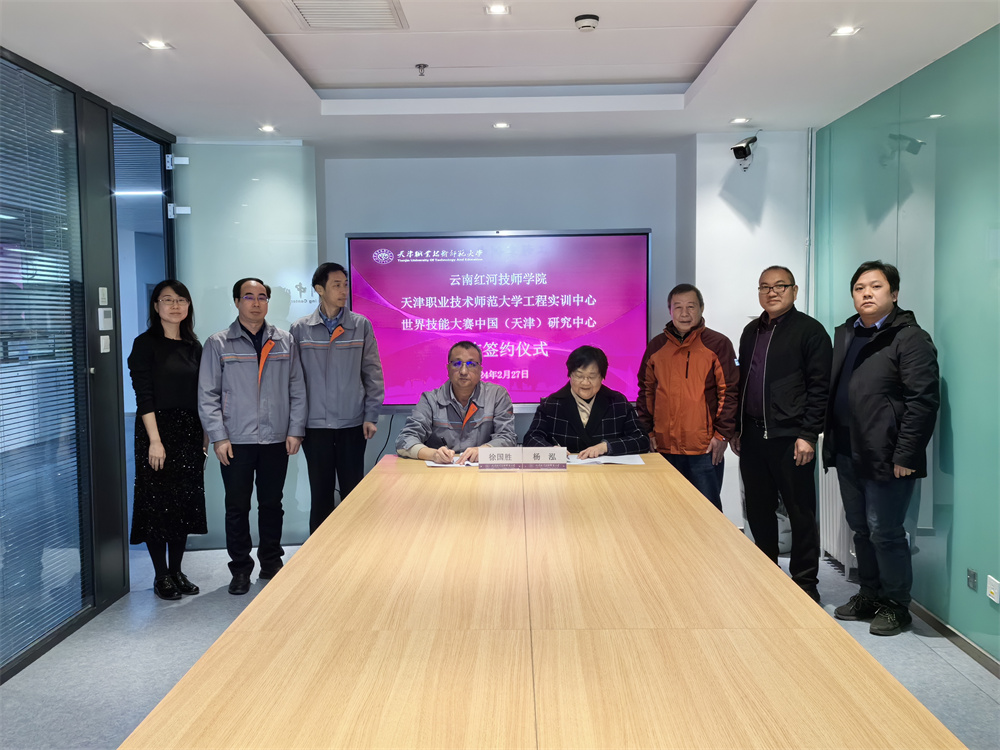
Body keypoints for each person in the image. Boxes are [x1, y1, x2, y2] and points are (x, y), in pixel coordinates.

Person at [823, 261, 939, 635]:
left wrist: (907, 454)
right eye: (859, 288)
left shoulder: (909, 337)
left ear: (894, 293)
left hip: (887, 454)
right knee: (860, 529)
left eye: (875, 286)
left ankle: (896, 605)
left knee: (885, 531)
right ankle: (870, 594)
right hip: (847, 450)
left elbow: (923, 401)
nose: (867, 293)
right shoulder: (847, 333)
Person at [198, 278, 307, 595]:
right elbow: (207, 395)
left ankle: (271, 563)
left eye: (262, 297)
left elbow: (297, 389)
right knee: (237, 507)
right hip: (236, 441)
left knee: (272, 504)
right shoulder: (218, 343)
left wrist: (295, 430)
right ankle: (240, 570)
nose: (256, 303)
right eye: (249, 297)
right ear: (236, 302)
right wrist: (219, 437)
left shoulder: (285, 341)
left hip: (276, 439)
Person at [732, 266, 832, 602]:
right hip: (753, 437)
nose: (772, 292)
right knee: (758, 511)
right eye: (765, 287)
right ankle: (767, 576)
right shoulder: (751, 331)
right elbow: (743, 383)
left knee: (800, 512)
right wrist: (737, 428)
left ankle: (805, 583)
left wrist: (808, 434)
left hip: (792, 438)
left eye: (780, 286)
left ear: (794, 290)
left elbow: (820, 388)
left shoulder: (810, 331)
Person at [127, 280, 208, 601]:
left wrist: (204, 440)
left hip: (190, 432)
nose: (175, 306)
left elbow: (204, 396)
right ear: (156, 306)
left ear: (188, 306)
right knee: (157, 504)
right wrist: (155, 441)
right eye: (167, 300)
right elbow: (144, 396)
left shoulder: (194, 346)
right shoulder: (145, 344)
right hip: (156, 432)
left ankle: (177, 571)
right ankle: (161, 575)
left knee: (183, 504)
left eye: (181, 300)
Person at [291, 263, 384, 533]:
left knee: (353, 492)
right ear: (319, 289)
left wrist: (371, 415)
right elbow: (293, 381)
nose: (344, 290)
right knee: (320, 493)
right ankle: (319, 551)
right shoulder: (300, 329)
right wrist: (296, 426)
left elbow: (372, 373)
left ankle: (354, 548)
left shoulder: (360, 325)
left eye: (345, 284)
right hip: (314, 426)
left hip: (351, 424)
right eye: (336, 285)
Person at [636, 283, 738, 509]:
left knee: (706, 513)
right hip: (663, 447)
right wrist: (648, 432)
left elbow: (729, 391)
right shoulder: (657, 346)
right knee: (665, 511)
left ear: (701, 308)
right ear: (670, 310)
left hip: (704, 449)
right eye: (678, 307)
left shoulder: (718, 344)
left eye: (691, 306)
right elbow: (646, 391)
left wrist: (722, 435)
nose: (684, 313)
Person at [396, 341, 516, 463]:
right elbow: (405, 440)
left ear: (480, 370)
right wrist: (433, 454)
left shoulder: (497, 395)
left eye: (471, 364)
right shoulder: (430, 400)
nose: (463, 371)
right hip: (440, 471)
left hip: (481, 470)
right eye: (457, 364)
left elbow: (508, 438)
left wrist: (484, 450)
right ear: (448, 369)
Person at [524, 345, 649, 457]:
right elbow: (531, 438)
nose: (585, 382)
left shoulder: (617, 402)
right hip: (568, 471)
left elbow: (641, 439)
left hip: (608, 471)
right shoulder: (552, 404)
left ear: (602, 377)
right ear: (570, 375)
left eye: (592, 377)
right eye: (579, 376)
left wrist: (606, 447)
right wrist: (550, 450)